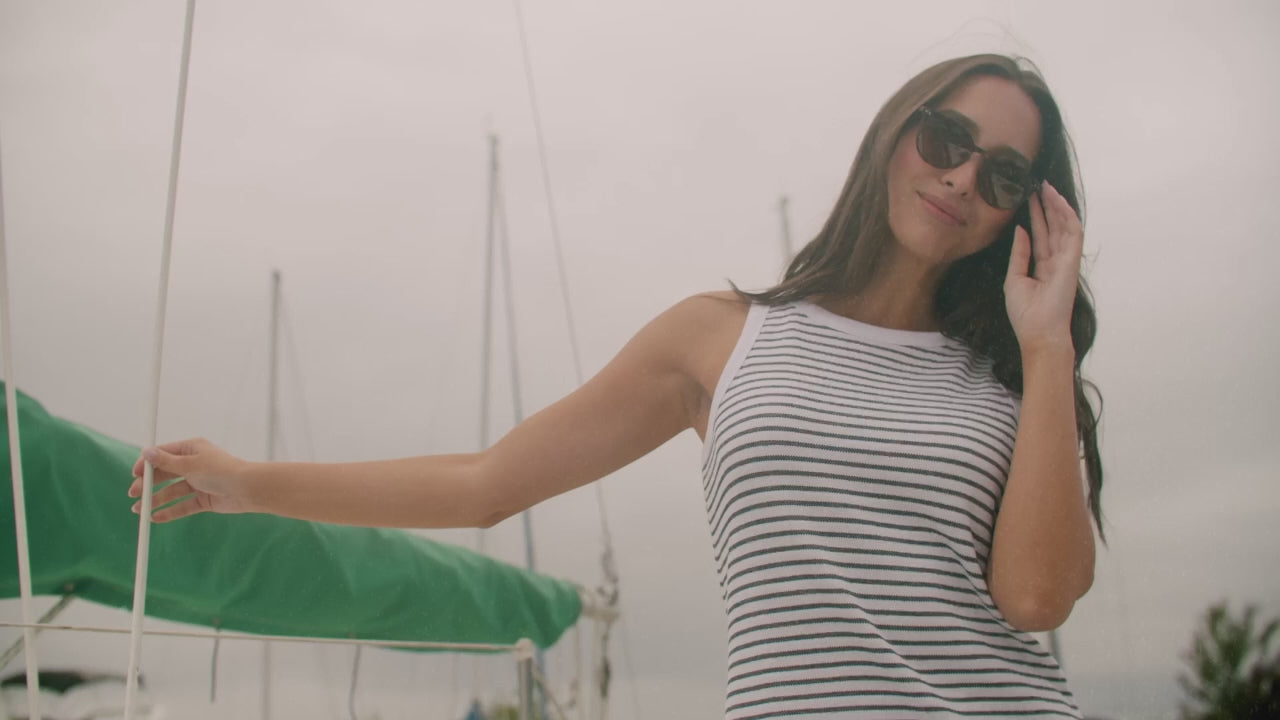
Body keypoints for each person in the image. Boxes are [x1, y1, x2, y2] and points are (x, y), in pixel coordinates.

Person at [130, 53, 1102, 719]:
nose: (961, 178)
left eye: (1002, 174)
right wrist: (248, 482)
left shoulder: (1016, 376)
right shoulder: (721, 337)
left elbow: (1034, 599)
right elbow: (485, 483)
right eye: (947, 139)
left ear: (1019, 212)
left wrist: (1048, 344)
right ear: (897, 134)